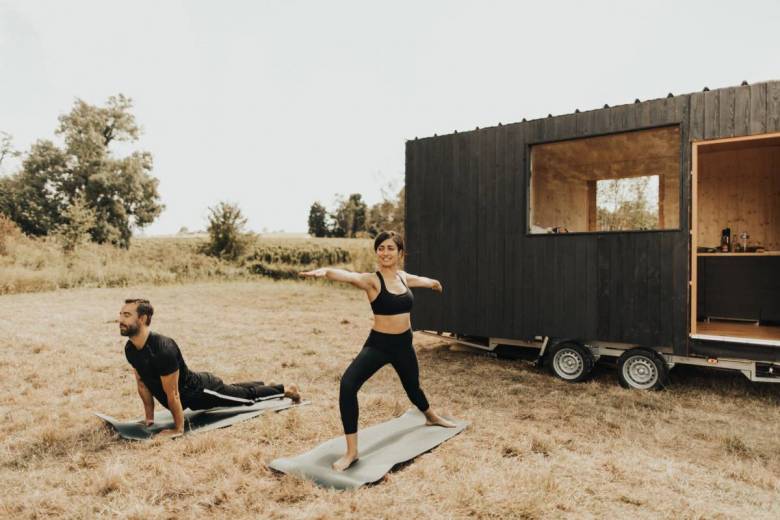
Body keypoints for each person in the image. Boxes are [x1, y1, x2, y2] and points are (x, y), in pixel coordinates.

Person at [300, 231, 455, 471]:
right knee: (348, 385)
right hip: (379, 345)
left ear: (400, 253)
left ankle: (431, 416)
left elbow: (418, 280)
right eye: (381, 248)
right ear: (377, 252)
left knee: (413, 387)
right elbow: (350, 276)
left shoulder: (403, 278)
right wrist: (327, 272)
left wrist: (433, 283)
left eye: (390, 248)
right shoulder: (373, 280)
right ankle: (352, 452)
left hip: (403, 344)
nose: (385, 252)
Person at [119, 298, 300, 436]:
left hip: (201, 391)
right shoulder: (130, 349)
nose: (120, 319)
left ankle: (284, 390)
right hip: (192, 395)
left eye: (127, 315)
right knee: (232, 390)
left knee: (246, 397)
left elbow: (173, 394)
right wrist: (149, 418)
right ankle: (266, 384)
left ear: (142, 318)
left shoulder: (163, 349)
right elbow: (143, 385)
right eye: (121, 314)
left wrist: (177, 429)